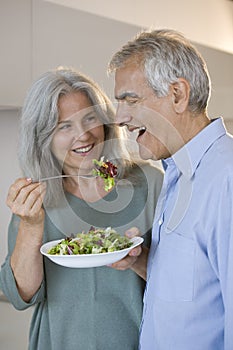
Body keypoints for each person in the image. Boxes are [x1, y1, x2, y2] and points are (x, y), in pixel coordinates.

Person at [0, 67, 163, 350]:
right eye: (64, 126)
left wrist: (138, 260)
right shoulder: (35, 202)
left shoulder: (149, 183)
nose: (84, 136)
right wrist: (30, 226)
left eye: (90, 119)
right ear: (43, 138)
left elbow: (186, 280)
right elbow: (21, 296)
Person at [108, 29, 233, 350]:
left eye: (130, 100)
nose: (120, 118)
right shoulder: (177, 173)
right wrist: (140, 261)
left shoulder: (227, 179)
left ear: (178, 94)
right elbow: (200, 291)